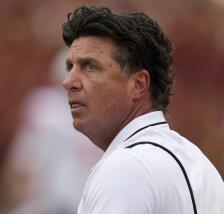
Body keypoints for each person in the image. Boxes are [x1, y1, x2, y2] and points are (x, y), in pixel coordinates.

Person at [61, 5, 224, 214]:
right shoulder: (199, 163)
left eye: (90, 66)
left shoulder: (126, 167)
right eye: (70, 67)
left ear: (138, 84)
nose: (68, 81)